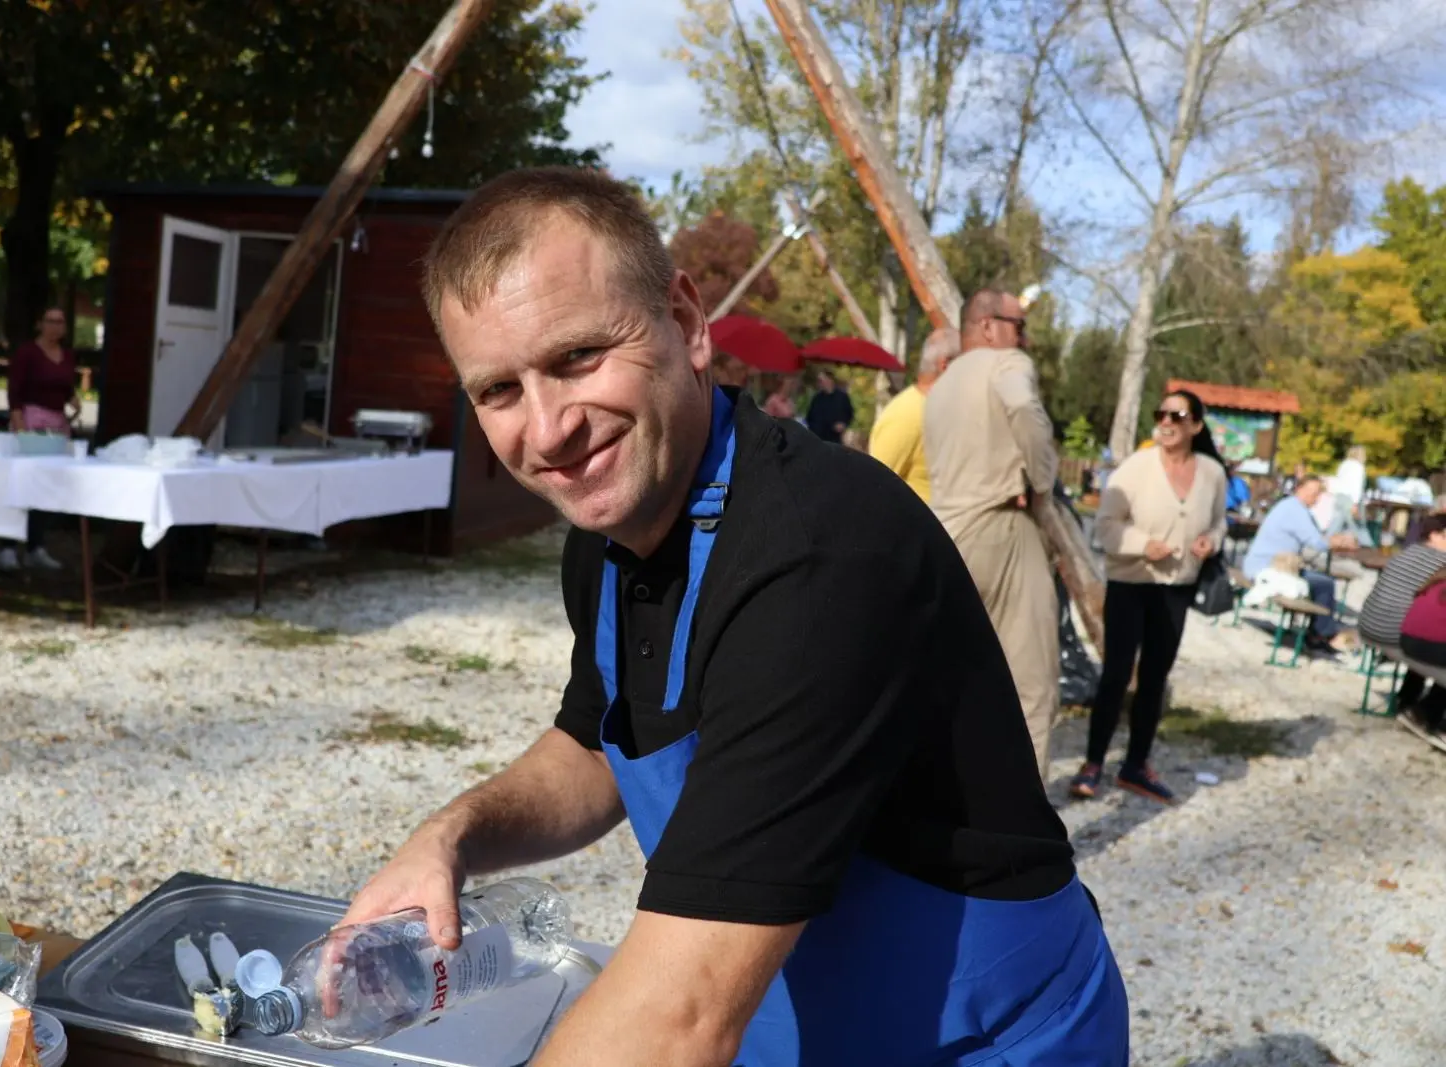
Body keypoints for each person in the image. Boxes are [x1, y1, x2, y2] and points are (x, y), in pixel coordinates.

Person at [336, 168, 1128, 1067]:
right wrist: (450, 837)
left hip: (982, 1043)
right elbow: (598, 745)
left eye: (577, 357)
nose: (549, 430)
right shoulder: (608, 530)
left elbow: (678, 1021)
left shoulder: (820, 555)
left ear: (683, 322)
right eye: (500, 392)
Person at [924, 288, 1060, 778]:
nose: (1024, 336)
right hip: (1002, 527)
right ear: (986, 326)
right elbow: (1024, 409)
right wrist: (1043, 480)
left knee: (952, 682)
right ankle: (1028, 831)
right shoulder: (1008, 365)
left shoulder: (940, 385)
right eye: (1017, 325)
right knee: (1032, 685)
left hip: (947, 533)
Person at [1069, 390, 1228, 803]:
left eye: (1178, 415)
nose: (1168, 422)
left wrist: (1211, 541)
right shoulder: (1134, 468)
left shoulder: (1211, 472)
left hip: (1178, 588)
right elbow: (1105, 527)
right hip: (1132, 584)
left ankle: (1136, 764)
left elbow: (1219, 522)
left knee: (1156, 677)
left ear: (1196, 424)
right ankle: (1092, 763)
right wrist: (1143, 544)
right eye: (1162, 414)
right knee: (1116, 675)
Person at [0, 306, 80, 572]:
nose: (55, 327)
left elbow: (65, 386)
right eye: (50, 321)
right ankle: (7, 547)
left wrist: (73, 399)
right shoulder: (27, 353)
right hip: (31, 421)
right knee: (22, 483)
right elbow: (15, 390)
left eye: (60, 322)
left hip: (56, 425)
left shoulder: (66, 356)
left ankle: (36, 546)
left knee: (47, 485)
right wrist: (18, 421)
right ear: (40, 324)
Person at [1241, 475, 1359, 652]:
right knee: (1325, 584)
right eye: (1312, 492)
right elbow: (1317, 542)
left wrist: (1335, 540)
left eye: (1318, 493)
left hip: (1263, 563)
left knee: (1319, 580)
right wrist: (1342, 542)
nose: (1316, 497)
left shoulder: (1289, 506)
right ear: (1299, 489)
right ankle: (1320, 635)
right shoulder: (1295, 510)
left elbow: (1315, 538)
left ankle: (1317, 630)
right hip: (1269, 567)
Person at [1357, 514, 1446, 736]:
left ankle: (1407, 699)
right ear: (1434, 535)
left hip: (1369, 624)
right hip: (1395, 633)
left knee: (1428, 636)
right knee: (1432, 641)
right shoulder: (1440, 562)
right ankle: (1424, 712)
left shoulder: (1407, 552)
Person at [866, 328, 959, 500]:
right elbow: (873, 490)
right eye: (967, 363)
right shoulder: (906, 415)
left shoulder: (941, 409)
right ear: (945, 365)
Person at [802, 368, 852, 443]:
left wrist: (843, 424)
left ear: (830, 380)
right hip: (818, 439)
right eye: (819, 381)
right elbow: (809, 417)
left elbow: (849, 413)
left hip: (834, 439)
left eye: (821, 381)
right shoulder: (817, 398)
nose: (819, 383)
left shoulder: (842, 397)